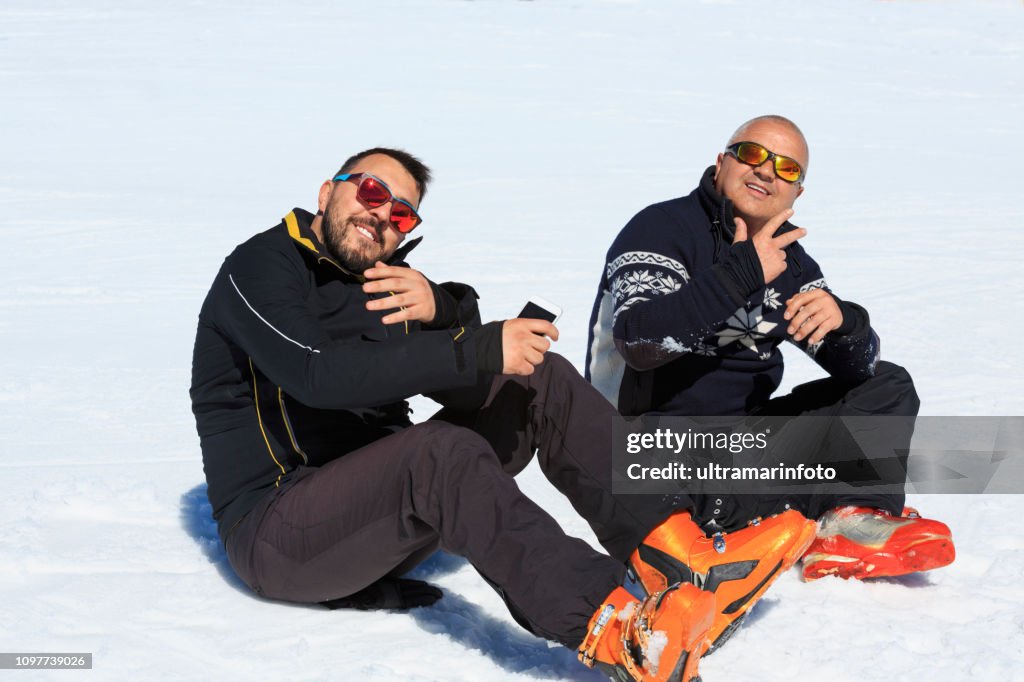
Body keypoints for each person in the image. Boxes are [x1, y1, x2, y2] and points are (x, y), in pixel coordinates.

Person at [189, 147, 818, 680]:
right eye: (372, 191)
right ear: (329, 192)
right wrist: (476, 342)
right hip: (278, 533)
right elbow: (317, 374)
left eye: (401, 211)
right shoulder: (262, 267)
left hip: (378, 521)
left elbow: (455, 380)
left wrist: (445, 310)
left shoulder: (380, 281)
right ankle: (621, 631)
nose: (381, 214)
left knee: (534, 378)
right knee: (440, 453)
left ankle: (677, 555)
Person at [586, 115, 955, 582]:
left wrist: (845, 323)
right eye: (753, 154)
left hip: (738, 442)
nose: (767, 171)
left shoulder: (790, 261)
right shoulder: (661, 229)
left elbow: (857, 368)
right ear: (721, 162)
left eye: (787, 169)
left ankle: (855, 521)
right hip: (641, 445)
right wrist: (738, 276)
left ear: (797, 194)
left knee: (888, 385)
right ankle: (760, 517)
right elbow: (641, 341)